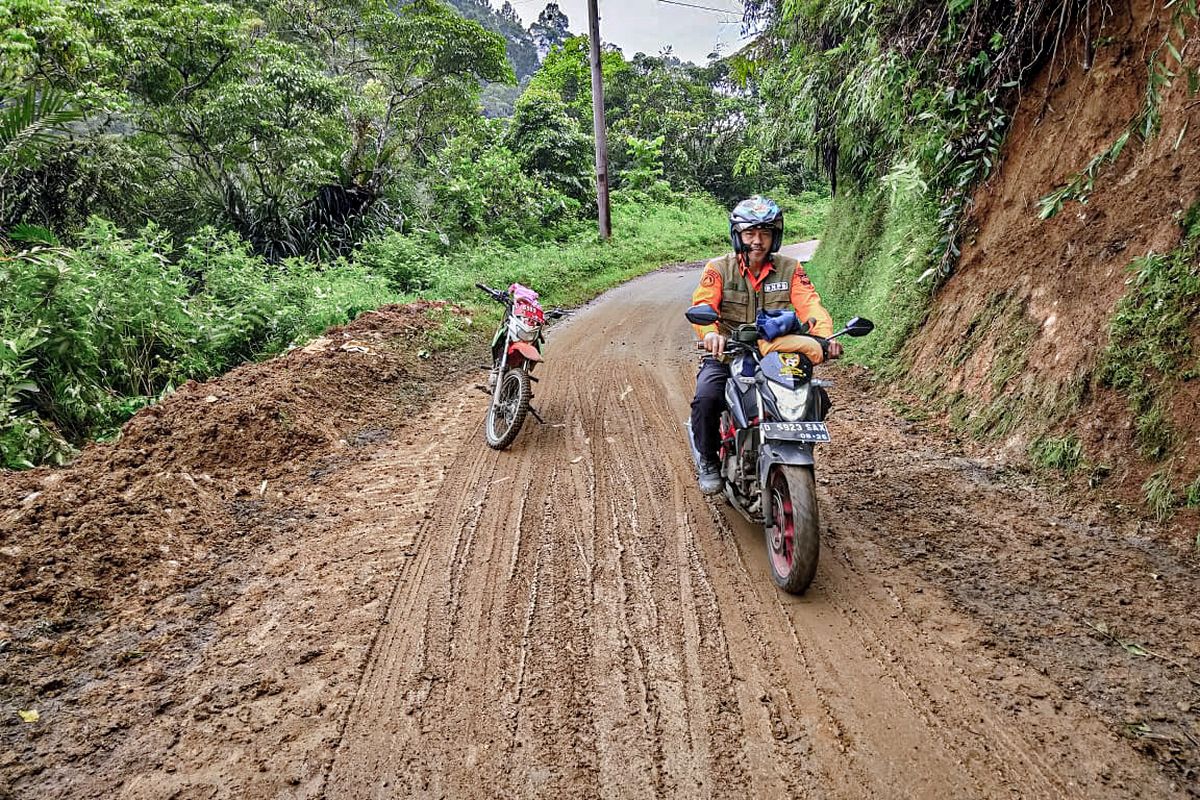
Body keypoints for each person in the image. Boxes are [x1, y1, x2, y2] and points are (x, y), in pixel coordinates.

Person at [689, 195, 842, 495]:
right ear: (738, 236)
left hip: (779, 354)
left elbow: (810, 306)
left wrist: (824, 338)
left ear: (775, 236)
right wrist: (710, 334)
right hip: (729, 353)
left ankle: (792, 448)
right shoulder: (718, 269)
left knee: (814, 396)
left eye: (765, 233)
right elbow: (704, 303)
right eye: (750, 233)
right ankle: (708, 459)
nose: (757, 241)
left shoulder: (790, 268)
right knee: (706, 399)